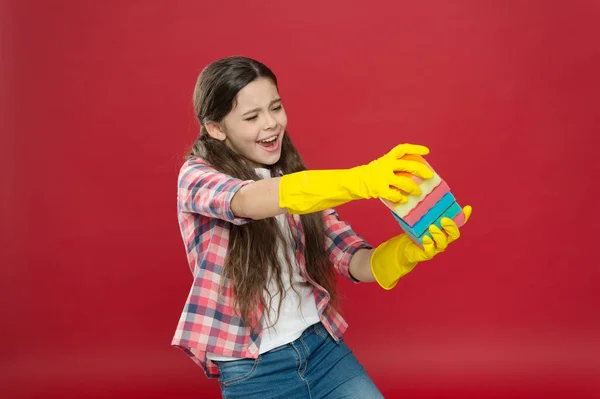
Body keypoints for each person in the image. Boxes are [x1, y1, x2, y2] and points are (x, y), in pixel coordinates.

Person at [172, 56, 472, 398]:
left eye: (276, 108)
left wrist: (408, 251)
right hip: (254, 370)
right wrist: (362, 180)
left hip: (321, 349)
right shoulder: (196, 177)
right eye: (252, 117)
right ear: (216, 128)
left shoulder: (296, 181)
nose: (271, 124)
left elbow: (353, 260)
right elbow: (248, 201)